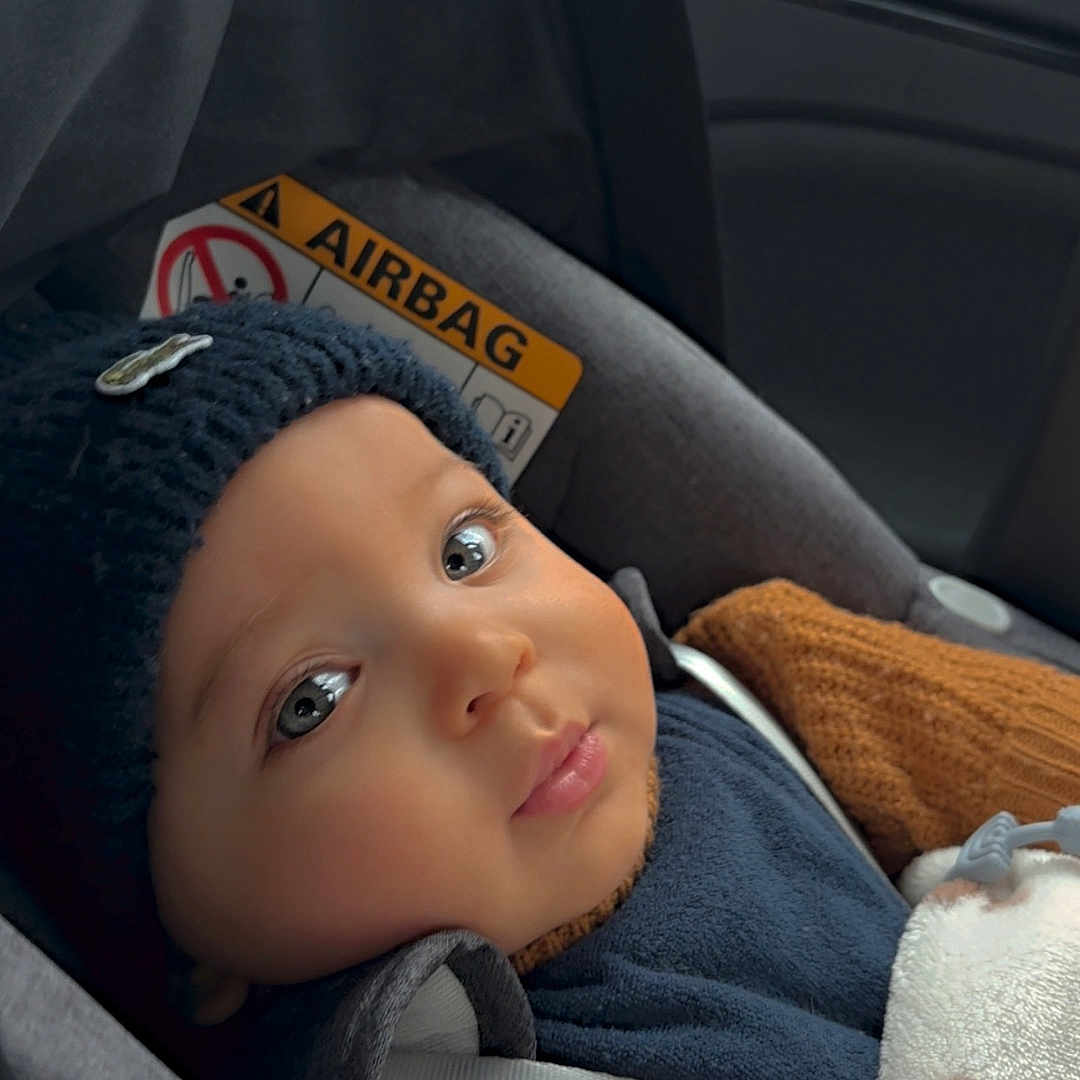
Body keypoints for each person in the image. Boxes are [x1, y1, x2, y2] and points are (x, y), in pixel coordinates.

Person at [5, 300, 1078, 1080]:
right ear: (191, 955)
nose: (482, 656)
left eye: (466, 550)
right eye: (311, 701)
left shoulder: (756, 677)